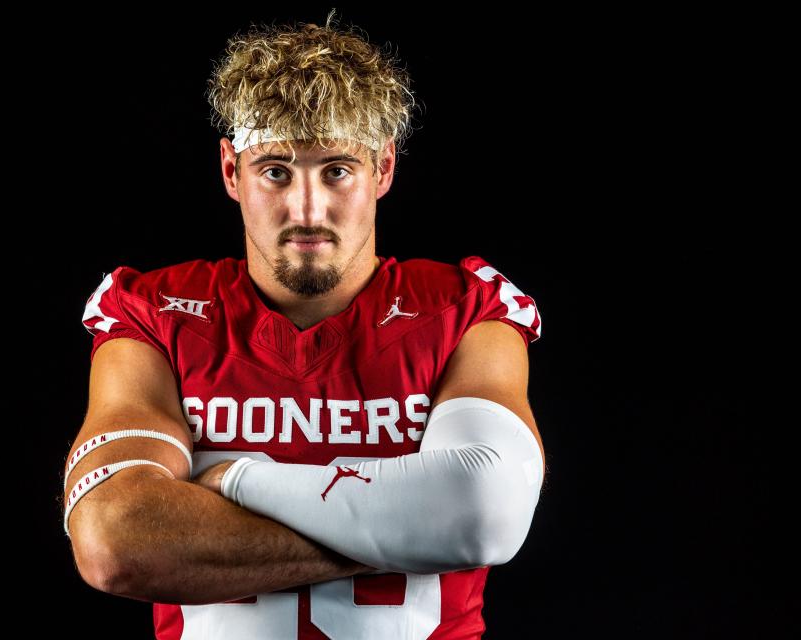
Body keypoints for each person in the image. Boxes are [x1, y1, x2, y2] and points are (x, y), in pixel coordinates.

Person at [63, 12, 546, 639]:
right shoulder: (157, 312)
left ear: (383, 170)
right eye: (276, 171)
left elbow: (485, 510)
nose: (307, 208)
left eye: (337, 169)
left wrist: (236, 482)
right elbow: (114, 539)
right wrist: (413, 525)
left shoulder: (462, 309)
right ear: (232, 173)